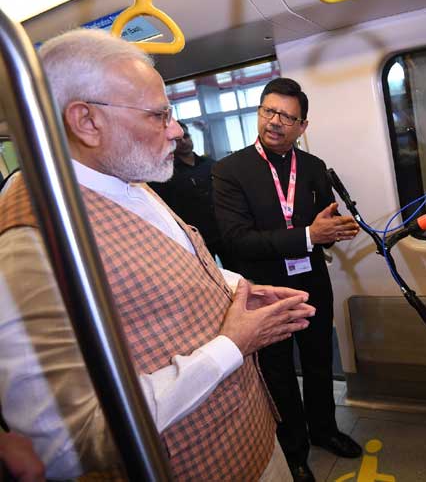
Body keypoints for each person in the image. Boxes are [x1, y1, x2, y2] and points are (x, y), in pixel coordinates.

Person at [0, 29, 316, 481]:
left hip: (253, 443)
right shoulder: (30, 242)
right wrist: (230, 347)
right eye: (158, 115)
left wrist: (237, 288)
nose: (177, 130)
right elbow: (66, 446)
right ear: (86, 121)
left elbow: (167, 264)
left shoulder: (127, 178)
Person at [213, 77, 361, 482]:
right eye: (269, 111)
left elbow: (323, 220)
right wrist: (310, 234)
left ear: (302, 126)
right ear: (260, 112)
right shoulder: (229, 171)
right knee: (279, 372)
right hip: (265, 291)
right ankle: (294, 449)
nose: (275, 121)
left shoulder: (313, 168)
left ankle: (324, 430)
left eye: (286, 117)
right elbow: (237, 240)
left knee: (319, 362)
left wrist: (332, 230)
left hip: (312, 282)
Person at [149, 120, 227, 263]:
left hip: (223, 232)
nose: (184, 142)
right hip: (194, 238)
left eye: (186, 136)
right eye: (178, 140)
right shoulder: (165, 173)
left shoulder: (209, 164)